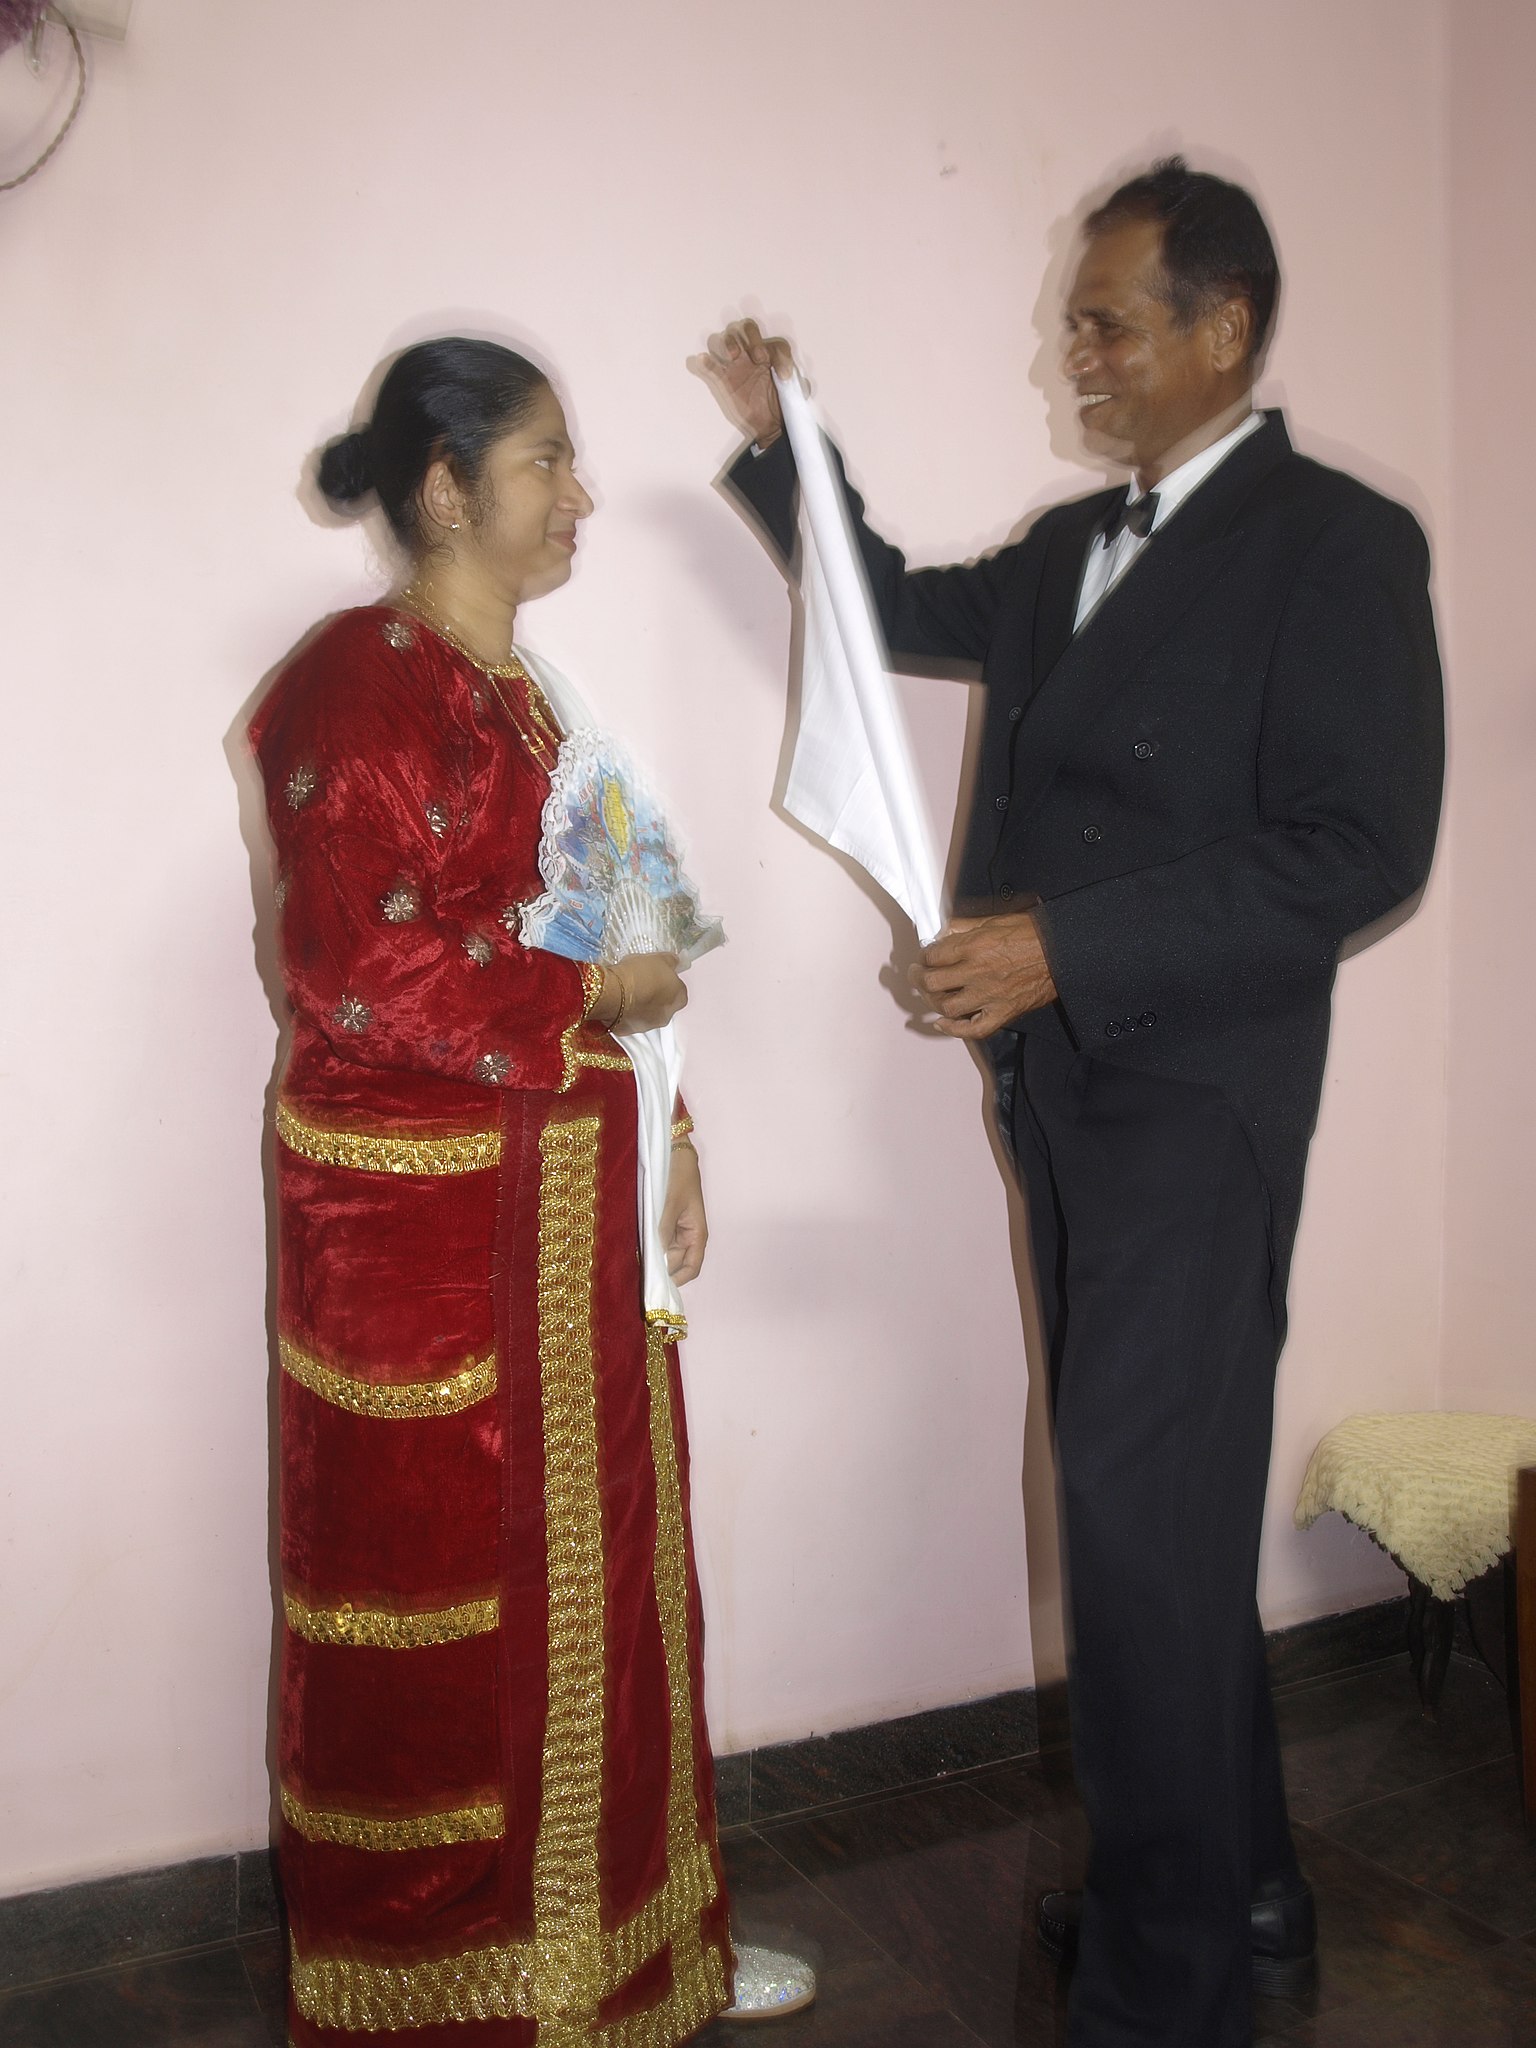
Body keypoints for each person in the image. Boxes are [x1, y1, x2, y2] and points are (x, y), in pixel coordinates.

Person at [695, 158, 1443, 2048]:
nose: (1077, 355)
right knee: (1162, 1530)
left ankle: (1160, 1994)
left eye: (1108, 322)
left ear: (1225, 328)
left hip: (1198, 1105)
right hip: (1063, 1108)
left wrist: (1061, 952)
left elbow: (1361, 848)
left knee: (1133, 1533)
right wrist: (795, 449)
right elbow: (875, 607)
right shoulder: (1057, 553)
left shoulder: (1335, 542)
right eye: (1073, 323)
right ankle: (1248, 1901)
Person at [249, 337, 811, 2045]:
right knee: (454, 1638)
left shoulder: (535, 699)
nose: (579, 498)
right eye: (548, 464)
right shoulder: (353, 685)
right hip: (421, 1249)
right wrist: (601, 1003)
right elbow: (352, 973)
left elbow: (623, 928)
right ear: (447, 489)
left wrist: (678, 1141)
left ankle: (633, 1956)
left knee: (614, 1597)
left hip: (573, 1225)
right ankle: (453, 1997)